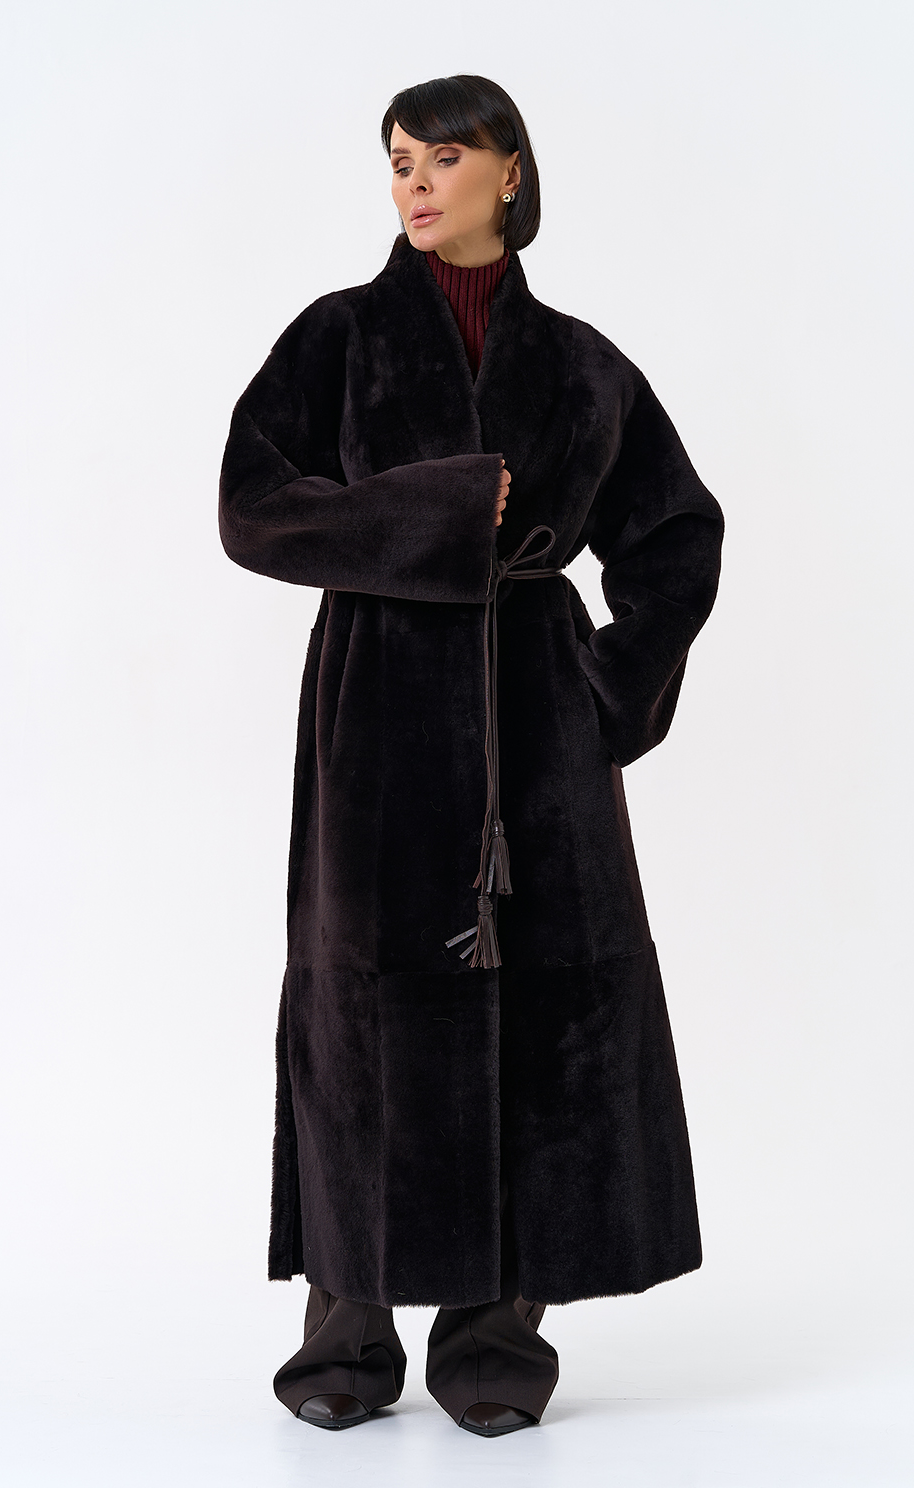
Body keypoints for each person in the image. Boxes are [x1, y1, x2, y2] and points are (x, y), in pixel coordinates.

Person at [218, 73, 724, 1437]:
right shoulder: (337, 339)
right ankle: (348, 1323)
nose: (415, 185)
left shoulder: (585, 367)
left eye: (443, 158)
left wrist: (608, 690)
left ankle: (497, 1325)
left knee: (540, 1010)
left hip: (537, 723)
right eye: (398, 163)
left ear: (510, 171)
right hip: (379, 711)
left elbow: (678, 535)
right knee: (358, 1008)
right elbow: (253, 507)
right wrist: (435, 515)